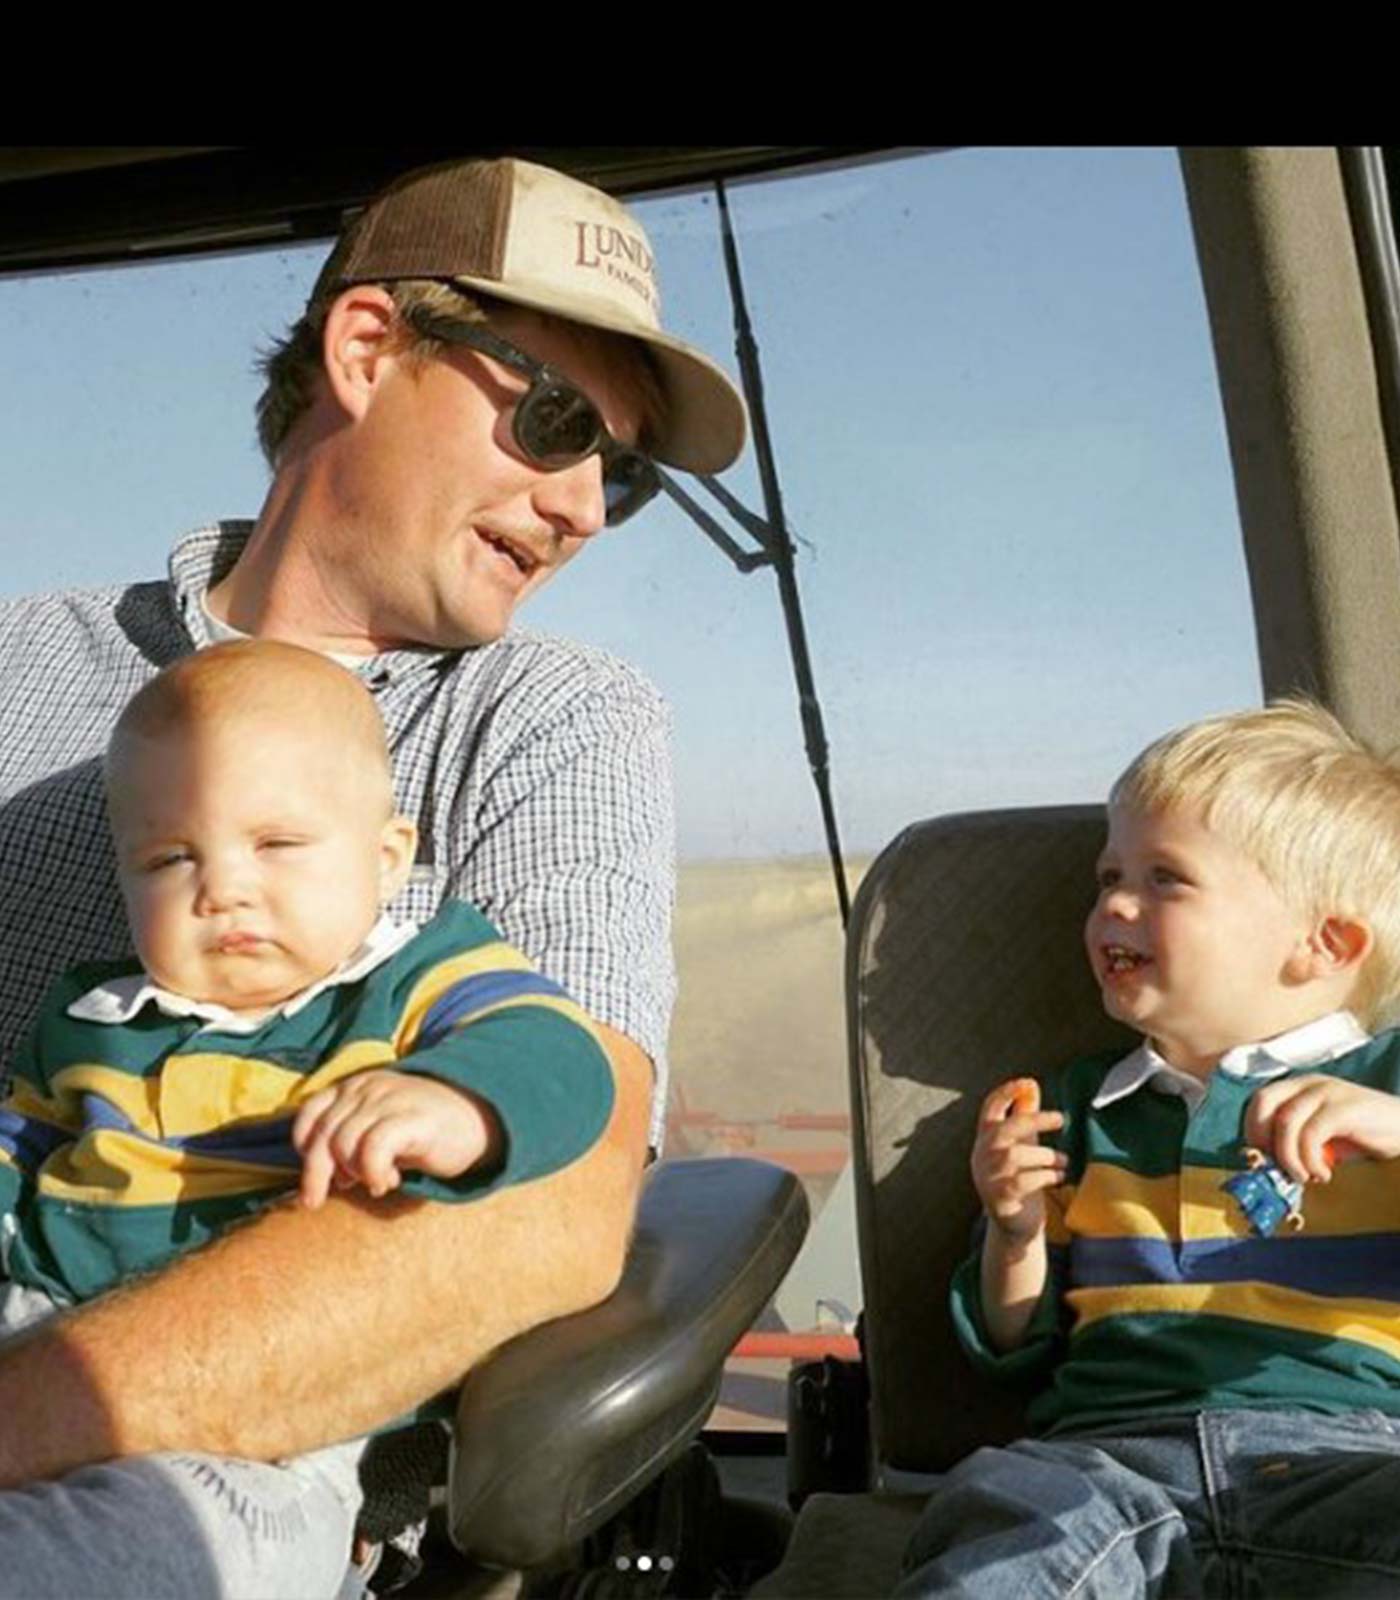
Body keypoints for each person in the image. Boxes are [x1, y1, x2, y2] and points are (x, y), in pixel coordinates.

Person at [0, 156, 746, 1589]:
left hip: (235, 1504)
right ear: (366, 350)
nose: (585, 504)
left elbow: (558, 1198)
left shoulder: (548, 722)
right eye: (557, 423)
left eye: (624, 472)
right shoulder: (20, 666)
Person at [0, 639, 615, 1595]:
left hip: (272, 1422)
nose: (224, 888)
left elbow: (564, 1059)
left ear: (387, 857)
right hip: (32, 1309)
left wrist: (456, 1099)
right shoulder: (93, 1017)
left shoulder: (416, 982)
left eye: (277, 845)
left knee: (143, 1549)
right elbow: (20, 1144)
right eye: (169, 859)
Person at [899, 699, 1400, 1599]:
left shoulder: (1387, 1080)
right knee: (1003, 1522)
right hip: (1107, 1465)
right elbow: (1012, 1341)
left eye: (1165, 878)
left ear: (1323, 944)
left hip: (1349, 1456)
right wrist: (1013, 1232)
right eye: (1107, 875)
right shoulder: (1069, 1107)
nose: (1113, 905)